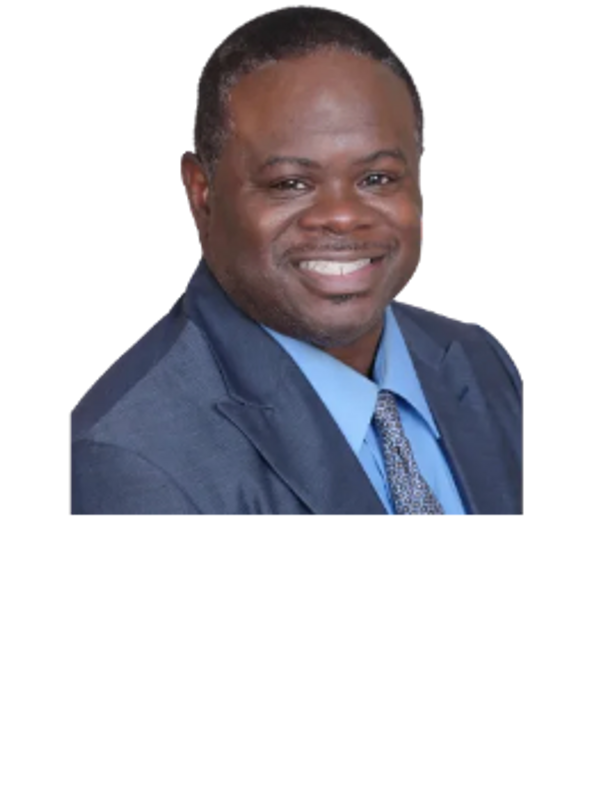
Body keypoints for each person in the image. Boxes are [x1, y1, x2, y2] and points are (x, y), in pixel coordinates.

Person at [67, 6, 526, 519]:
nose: (342, 216)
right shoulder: (134, 458)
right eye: (290, 183)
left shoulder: (481, 360)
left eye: (377, 178)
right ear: (200, 193)